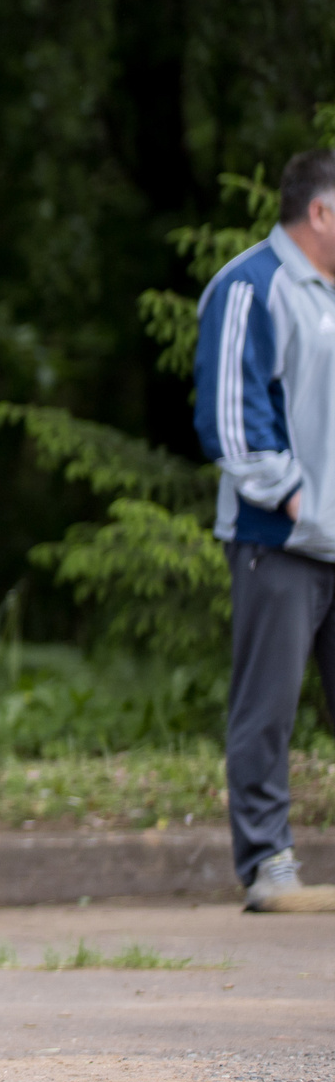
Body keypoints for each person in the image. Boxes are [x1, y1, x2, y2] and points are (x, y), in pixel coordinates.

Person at [193, 148, 335, 912]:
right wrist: (288, 495)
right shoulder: (252, 285)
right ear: (321, 212)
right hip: (277, 542)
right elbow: (230, 409)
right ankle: (267, 863)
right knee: (268, 705)